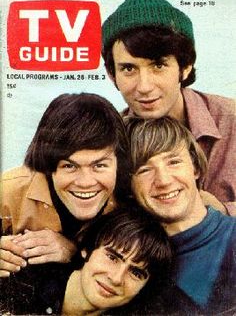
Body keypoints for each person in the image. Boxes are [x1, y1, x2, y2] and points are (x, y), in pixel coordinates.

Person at [102, 0, 236, 210]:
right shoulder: (108, 139)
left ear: (186, 66)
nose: (144, 86)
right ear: (112, 74)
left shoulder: (231, 119)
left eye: (158, 65)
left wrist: (223, 211)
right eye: (129, 69)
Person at [0, 92, 131, 277]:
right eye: (70, 166)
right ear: (48, 164)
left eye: (99, 165)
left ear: (119, 162)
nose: (86, 183)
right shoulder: (7, 190)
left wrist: (73, 251)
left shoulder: (130, 199)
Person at [125, 116, 236, 314]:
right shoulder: (128, 267)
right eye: (144, 169)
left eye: (173, 162)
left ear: (194, 166)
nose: (164, 180)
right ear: (129, 186)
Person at [0, 207, 173, 315]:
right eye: (112, 257)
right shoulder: (17, 278)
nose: (116, 278)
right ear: (86, 249)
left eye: (136, 272)